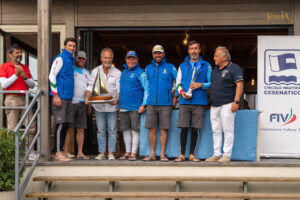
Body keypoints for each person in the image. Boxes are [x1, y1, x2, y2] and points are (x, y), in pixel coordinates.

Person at [174, 41, 211, 162]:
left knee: (195, 129)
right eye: (191, 49)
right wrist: (182, 93)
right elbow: (178, 83)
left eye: (196, 48)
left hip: (199, 102)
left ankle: (191, 155)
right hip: (184, 101)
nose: (194, 51)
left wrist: (201, 85)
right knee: (183, 128)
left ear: (199, 50)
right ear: (188, 51)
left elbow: (211, 83)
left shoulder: (206, 65)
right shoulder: (182, 66)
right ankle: (181, 154)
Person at [205, 46, 243, 163]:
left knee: (228, 129)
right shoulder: (215, 70)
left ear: (224, 57)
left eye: (216, 56)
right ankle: (217, 153)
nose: (214, 58)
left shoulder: (234, 68)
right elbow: (212, 85)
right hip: (214, 105)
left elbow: (240, 85)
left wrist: (236, 102)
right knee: (216, 130)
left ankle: (227, 155)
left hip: (228, 103)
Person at [0, 44, 36, 159]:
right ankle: (12, 155)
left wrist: (25, 77)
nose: (20, 55)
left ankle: (30, 152)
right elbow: (4, 84)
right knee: (12, 128)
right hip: (12, 98)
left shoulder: (24, 67)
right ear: (10, 55)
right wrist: (16, 75)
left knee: (31, 126)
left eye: (21, 53)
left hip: (24, 98)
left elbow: (32, 85)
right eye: (17, 53)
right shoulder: (4, 67)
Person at [85, 47, 121, 160]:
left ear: (112, 58)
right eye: (105, 57)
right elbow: (90, 86)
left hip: (113, 106)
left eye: (109, 58)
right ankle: (101, 152)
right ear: (101, 58)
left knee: (112, 130)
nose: (107, 60)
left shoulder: (117, 72)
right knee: (100, 130)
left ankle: (110, 152)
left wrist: (117, 99)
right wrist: (87, 98)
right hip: (99, 106)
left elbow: (119, 89)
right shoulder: (95, 71)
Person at [143, 45, 178, 162]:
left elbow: (178, 83)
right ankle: (152, 153)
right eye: (155, 53)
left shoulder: (171, 67)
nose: (157, 55)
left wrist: (175, 97)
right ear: (153, 54)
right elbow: (145, 86)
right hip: (151, 103)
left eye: (160, 53)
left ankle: (162, 154)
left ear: (163, 54)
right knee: (151, 129)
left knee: (164, 129)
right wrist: (144, 102)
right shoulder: (147, 68)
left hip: (166, 104)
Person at [49, 37, 77, 162]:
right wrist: (55, 95)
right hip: (60, 97)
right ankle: (57, 153)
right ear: (65, 46)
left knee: (65, 126)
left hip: (68, 98)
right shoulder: (60, 58)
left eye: (73, 46)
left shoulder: (71, 60)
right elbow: (51, 76)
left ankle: (61, 152)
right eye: (70, 45)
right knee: (60, 125)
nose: (72, 48)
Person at [118, 51, 149, 161]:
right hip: (123, 106)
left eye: (133, 58)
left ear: (137, 60)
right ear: (126, 60)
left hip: (135, 107)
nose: (131, 61)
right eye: (129, 58)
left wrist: (144, 105)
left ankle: (133, 153)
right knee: (125, 130)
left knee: (134, 130)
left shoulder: (141, 72)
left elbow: (147, 89)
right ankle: (127, 152)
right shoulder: (124, 72)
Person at [62, 51, 92, 160]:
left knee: (81, 129)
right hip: (70, 103)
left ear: (85, 60)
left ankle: (80, 152)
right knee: (68, 129)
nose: (81, 60)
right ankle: (65, 152)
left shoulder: (88, 73)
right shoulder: (70, 69)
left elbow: (90, 88)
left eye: (83, 59)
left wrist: (89, 104)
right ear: (76, 59)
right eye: (79, 58)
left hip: (82, 104)